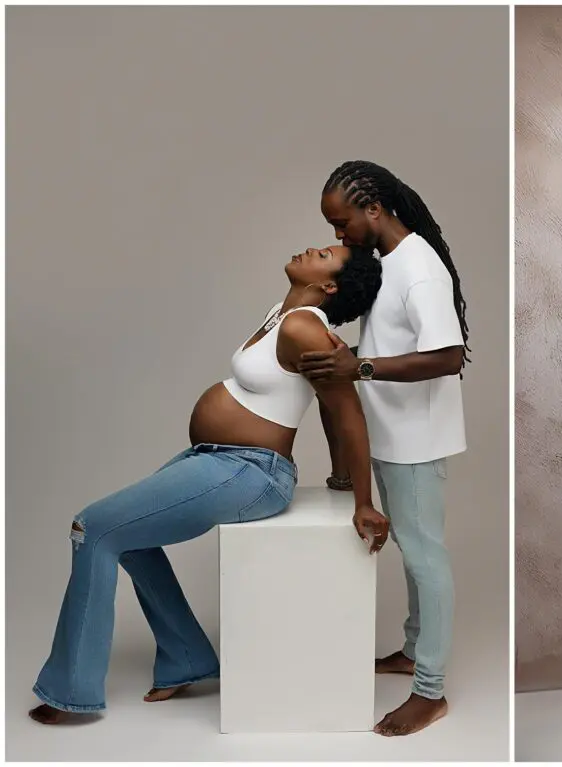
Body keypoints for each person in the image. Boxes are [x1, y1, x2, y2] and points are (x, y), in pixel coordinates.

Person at [29, 244, 388, 725]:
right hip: (217, 461)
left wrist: (362, 500)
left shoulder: (306, 328)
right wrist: (339, 475)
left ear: (330, 286)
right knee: (128, 539)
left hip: (249, 472)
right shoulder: (282, 315)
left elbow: (346, 411)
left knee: (91, 528)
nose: (311, 248)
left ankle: (68, 694)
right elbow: (322, 401)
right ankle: (186, 658)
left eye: (326, 254)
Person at [298, 160, 468, 737]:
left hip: (416, 440)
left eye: (341, 223)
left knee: (425, 556)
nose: (338, 236)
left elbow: (449, 356)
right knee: (414, 551)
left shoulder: (419, 267)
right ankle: (415, 650)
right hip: (392, 433)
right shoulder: (390, 262)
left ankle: (431, 692)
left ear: (374, 209)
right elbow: (392, 338)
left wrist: (359, 365)